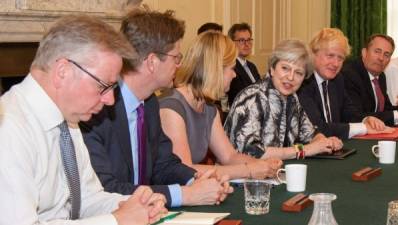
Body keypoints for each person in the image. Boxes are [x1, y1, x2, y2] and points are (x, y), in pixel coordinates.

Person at [0, 15, 166, 225]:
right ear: (63, 71)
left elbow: (86, 199)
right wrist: (116, 221)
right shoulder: (9, 128)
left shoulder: (67, 121)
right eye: (103, 86)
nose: (110, 100)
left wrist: (131, 204)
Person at [80, 8, 232, 208]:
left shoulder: (149, 103)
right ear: (152, 61)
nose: (179, 65)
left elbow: (164, 164)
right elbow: (105, 189)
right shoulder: (97, 107)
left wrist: (197, 179)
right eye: (176, 57)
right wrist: (185, 195)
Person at [159, 31, 282, 179]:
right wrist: (249, 170)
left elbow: (229, 157)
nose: (235, 75)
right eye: (231, 69)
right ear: (216, 70)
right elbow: (185, 170)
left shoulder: (209, 109)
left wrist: (262, 165)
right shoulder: (172, 108)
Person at [224, 39, 343, 160]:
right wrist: (304, 150)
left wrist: (324, 142)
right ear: (272, 69)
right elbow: (251, 152)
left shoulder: (292, 98)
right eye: (285, 68)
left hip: (275, 174)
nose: (290, 77)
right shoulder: (253, 98)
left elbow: (310, 134)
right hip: (241, 176)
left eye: (298, 73)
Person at [297, 28, 390, 140]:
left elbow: (349, 113)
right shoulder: (303, 82)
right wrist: (363, 128)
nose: (335, 64)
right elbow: (317, 127)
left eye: (340, 58)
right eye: (330, 56)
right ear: (313, 55)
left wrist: (366, 119)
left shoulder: (337, 79)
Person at [342, 34, 398, 126]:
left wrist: (397, 113)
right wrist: (396, 116)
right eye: (377, 51)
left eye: (386, 54)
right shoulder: (349, 75)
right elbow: (356, 116)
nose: (381, 58)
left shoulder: (381, 76)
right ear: (364, 53)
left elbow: (387, 109)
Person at [227, 22, 261, 106]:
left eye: (249, 40)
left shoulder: (252, 66)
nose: (247, 44)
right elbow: (240, 97)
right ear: (231, 43)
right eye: (242, 40)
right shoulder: (230, 67)